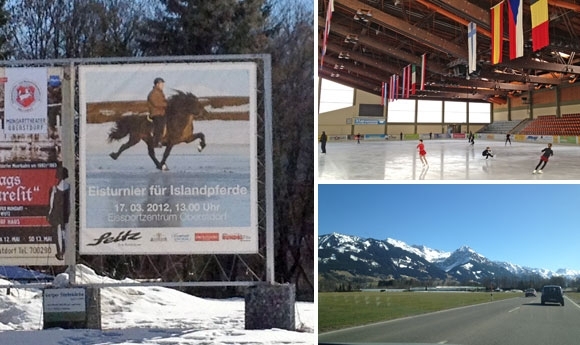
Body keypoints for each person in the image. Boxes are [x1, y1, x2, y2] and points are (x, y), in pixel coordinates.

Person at [47, 166, 71, 260]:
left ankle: (60, 252)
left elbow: (51, 204)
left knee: (58, 233)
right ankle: (63, 251)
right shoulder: (69, 187)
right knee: (63, 232)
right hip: (65, 213)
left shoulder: (54, 189)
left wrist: (49, 214)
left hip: (57, 213)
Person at [147, 77, 168, 148]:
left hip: (162, 112)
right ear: (157, 84)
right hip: (156, 113)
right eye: (162, 84)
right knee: (160, 124)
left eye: (163, 84)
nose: (163, 86)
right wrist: (166, 104)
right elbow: (156, 103)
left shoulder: (160, 92)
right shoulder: (153, 93)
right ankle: (156, 141)